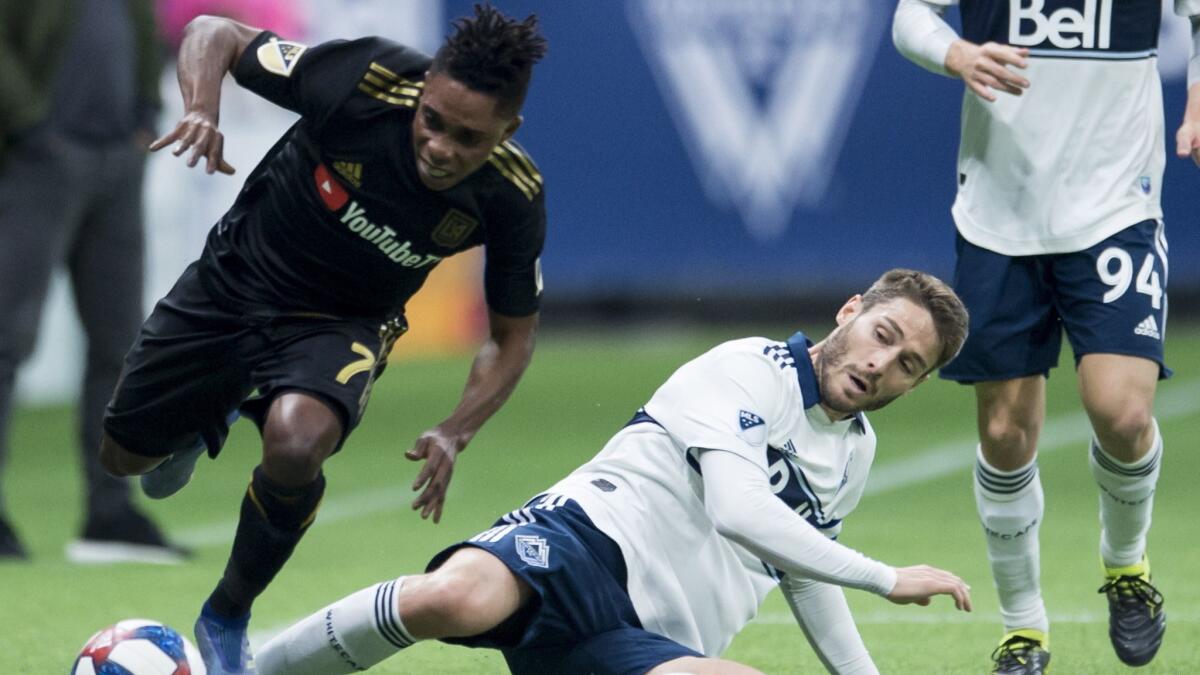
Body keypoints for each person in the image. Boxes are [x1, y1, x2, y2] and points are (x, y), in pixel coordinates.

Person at [96, 6, 548, 674]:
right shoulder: (365, 79)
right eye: (433, 120)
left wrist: (456, 428)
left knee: (297, 441)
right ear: (422, 93)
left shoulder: (512, 195)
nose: (440, 147)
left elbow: (512, 335)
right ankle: (203, 418)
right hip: (235, 280)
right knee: (122, 459)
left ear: (506, 131)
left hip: (343, 323)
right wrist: (202, 109)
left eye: (468, 137)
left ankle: (226, 612)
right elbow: (212, 33)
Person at [254, 269, 973, 675]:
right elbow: (740, 509)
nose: (881, 364)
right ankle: (250, 670)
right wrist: (886, 577)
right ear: (850, 311)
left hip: (652, 638)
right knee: (456, 597)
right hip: (585, 547)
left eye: (909, 364)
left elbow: (800, 565)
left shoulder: (855, 450)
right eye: (883, 335)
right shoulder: (748, 368)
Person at [892, 1, 1200, 672]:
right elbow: (911, 14)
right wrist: (957, 53)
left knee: (1122, 410)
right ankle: (1024, 627)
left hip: (1117, 204)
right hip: (999, 213)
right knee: (1004, 434)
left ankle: (1126, 565)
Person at [0, 0, 189, 563]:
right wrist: (31, 124)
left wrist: (146, 115)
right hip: (36, 162)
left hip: (115, 162)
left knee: (120, 342)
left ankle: (109, 509)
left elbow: (145, 37)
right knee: (6, 339)